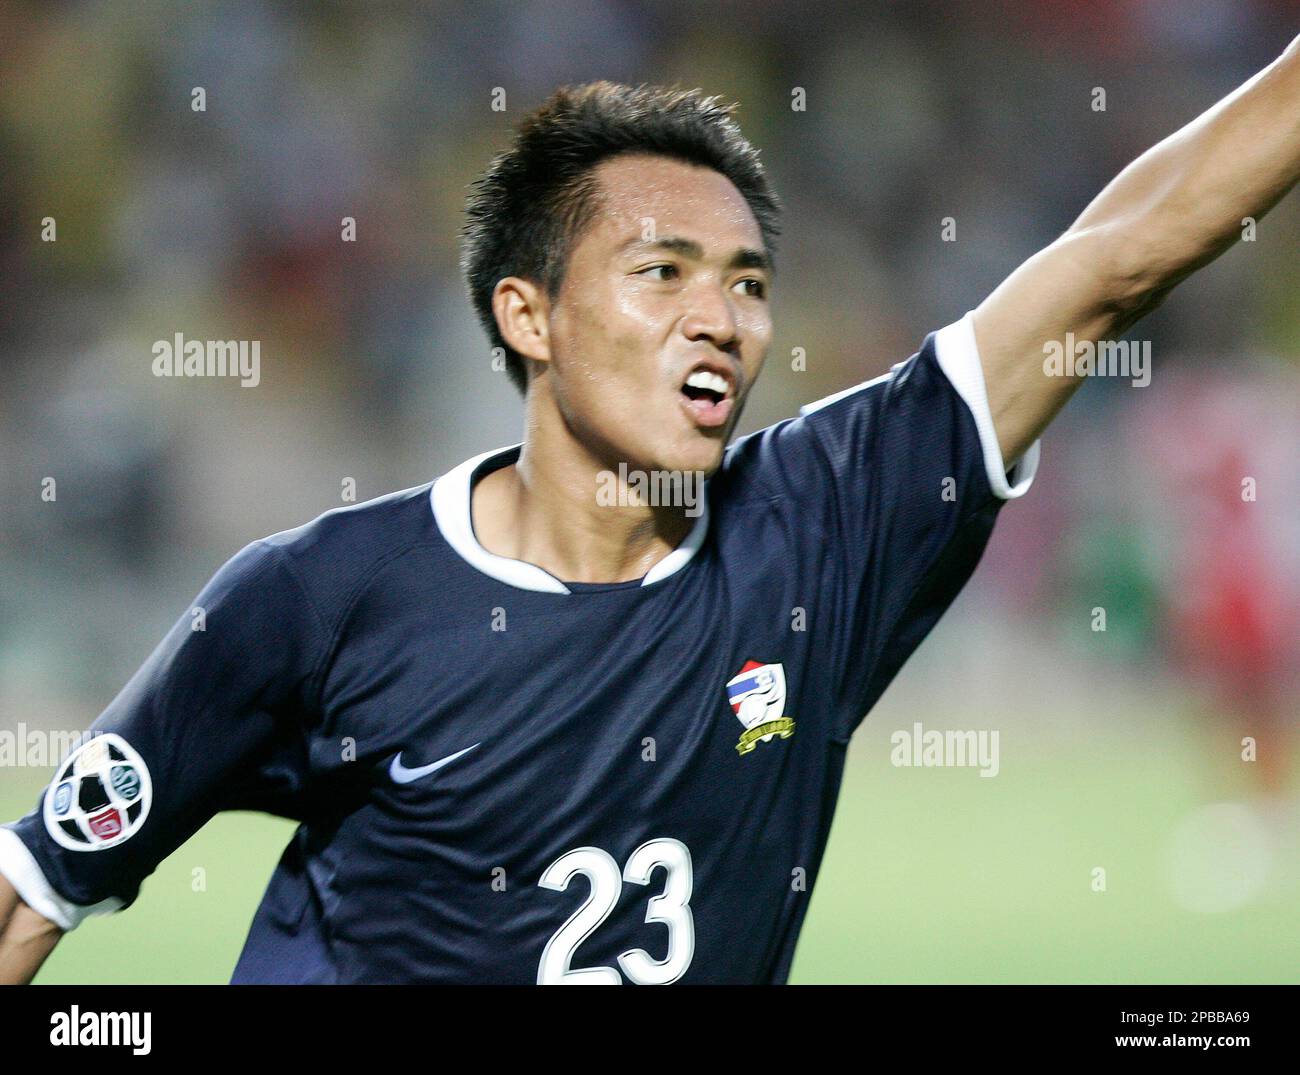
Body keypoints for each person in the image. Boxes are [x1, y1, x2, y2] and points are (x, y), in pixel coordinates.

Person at [3, 39, 1299, 982]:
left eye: (745, 282)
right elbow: (31, 900)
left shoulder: (822, 532)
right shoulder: (314, 598)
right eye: (660, 272)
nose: (718, 320)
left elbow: (1119, 259)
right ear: (531, 314)